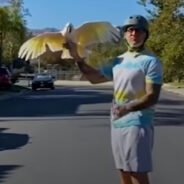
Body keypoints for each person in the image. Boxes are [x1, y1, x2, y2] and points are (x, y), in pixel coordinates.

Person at [65, 15, 163, 184]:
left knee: (136, 171)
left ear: (145, 34)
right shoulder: (119, 61)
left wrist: (127, 108)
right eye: (130, 30)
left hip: (138, 122)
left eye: (138, 30)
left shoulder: (151, 61)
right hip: (117, 122)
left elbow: (152, 96)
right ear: (125, 34)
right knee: (123, 169)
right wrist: (76, 57)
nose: (134, 34)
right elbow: (94, 77)